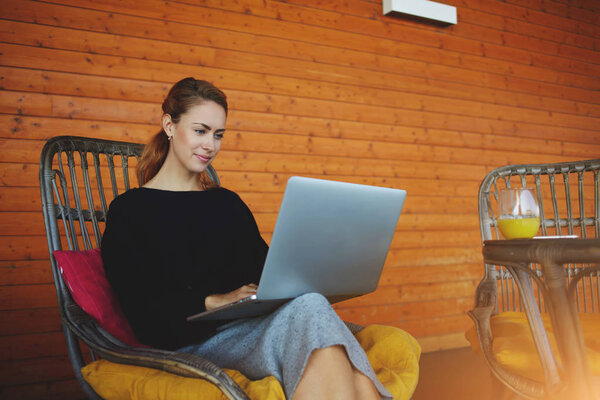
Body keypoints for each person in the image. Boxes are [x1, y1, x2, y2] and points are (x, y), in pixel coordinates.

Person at [101, 77, 392, 400]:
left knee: (310, 304)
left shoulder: (228, 204)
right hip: (190, 343)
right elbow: (142, 307)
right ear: (169, 125)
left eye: (218, 134)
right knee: (313, 316)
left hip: (249, 330)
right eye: (200, 130)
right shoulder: (129, 212)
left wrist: (318, 265)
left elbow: (267, 273)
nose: (210, 145)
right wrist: (213, 300)